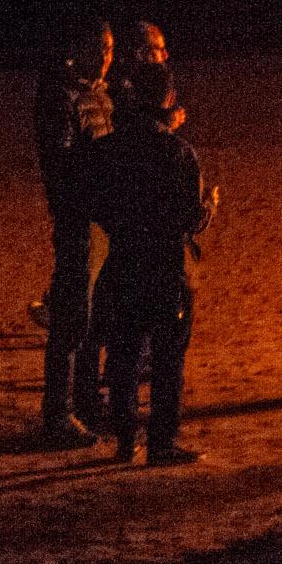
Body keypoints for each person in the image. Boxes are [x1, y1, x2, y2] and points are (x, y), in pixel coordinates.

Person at [85, 61, 216, 465]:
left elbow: (97, 204)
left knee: (123, 354)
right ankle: (161, 442)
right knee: (167, 359)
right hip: (165, 266)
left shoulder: (108, 149)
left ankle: (126, 439)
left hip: (123, 260)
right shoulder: (177, 152)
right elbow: (190, 220)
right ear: (168, 98)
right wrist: (209, 206)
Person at [33, 19, 115, 446]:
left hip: (103, 221)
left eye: (110, 48)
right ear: (78, 47)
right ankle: (57, 414)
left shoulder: (99, 96)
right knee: (71, 319)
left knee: (97, 317)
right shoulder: (59, 96)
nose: (106, 56)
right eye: (99, 46)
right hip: (78, 222)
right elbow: (63, 166)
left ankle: (86, 402)